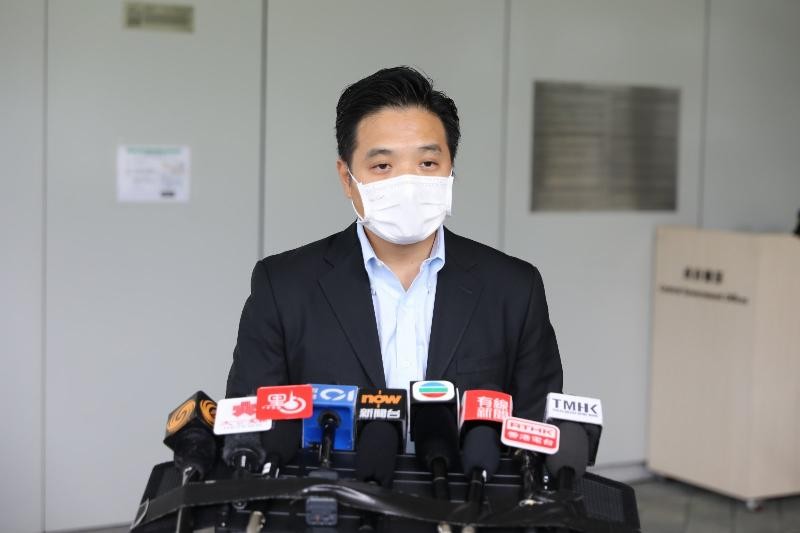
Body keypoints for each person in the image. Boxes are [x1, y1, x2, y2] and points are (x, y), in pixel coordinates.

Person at [226, 66, 562, 420]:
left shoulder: (513, 289)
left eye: (427, 162)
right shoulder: (284, 288)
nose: (407, 184)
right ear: (347, 178)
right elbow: (250, 433)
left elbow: (538, 430)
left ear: (451, 169)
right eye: (383, 166)